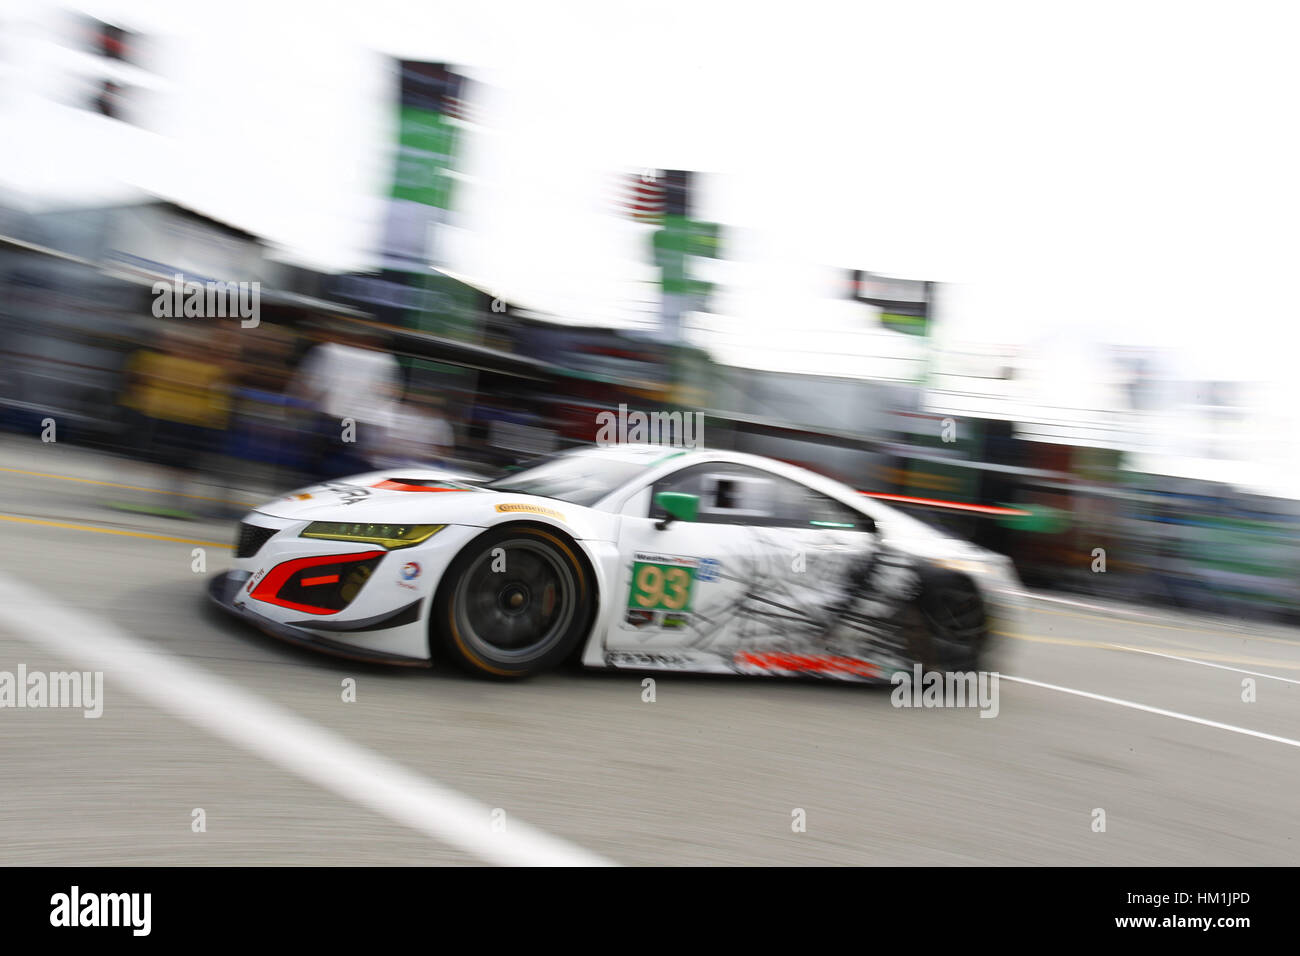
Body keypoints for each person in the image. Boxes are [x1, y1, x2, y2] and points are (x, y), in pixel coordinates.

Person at [288, 321, 401, 478]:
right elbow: (388, 393)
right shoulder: (384, 360)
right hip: (353, 421)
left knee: (319, 463)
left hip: (332, 418)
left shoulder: (329, 351)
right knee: (343, 464)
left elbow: (311, 386)